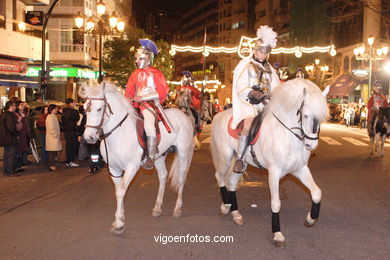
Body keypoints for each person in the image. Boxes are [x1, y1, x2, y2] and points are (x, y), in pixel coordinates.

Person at [231, 25, 280, 173]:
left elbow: (276, 86)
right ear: (255, 50)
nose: (262, 55)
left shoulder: (270, 69)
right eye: (260, 51)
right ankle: (240, 158)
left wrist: (273, 96)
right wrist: (254, 93)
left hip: (266, 104)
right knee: (248, 123)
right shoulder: (246, 64)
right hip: (249, 103)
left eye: (265, 53)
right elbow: (240, 86)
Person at [124, 38, 169, 170]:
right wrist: (126, 100)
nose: (137, 61)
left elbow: (160, 93)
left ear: (149, 60)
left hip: (149, 105)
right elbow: (129, 92)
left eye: (140, 58)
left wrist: (141, 98)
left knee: (149, 125)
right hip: (134, 105)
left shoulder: (156, 73)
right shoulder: (135, 74)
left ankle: (150, 157)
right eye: (137, 58)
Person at [0, 101, 19, 177]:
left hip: (5, 138)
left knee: (6, 155)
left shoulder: (3, 114)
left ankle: (6, 171)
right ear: (11, 106)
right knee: (11, 155)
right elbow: (11, 127)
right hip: (10, 138)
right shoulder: (9, 115)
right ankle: (10, 172)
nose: (15, 107)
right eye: (14, 106)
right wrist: (16, 134)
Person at [62, 98, 80, 167]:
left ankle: (69, 161)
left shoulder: (65, 111)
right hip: (71, 131)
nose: (75, 104)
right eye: (74, 103)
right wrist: (76, 110)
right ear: (70, 103)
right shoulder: (71, 111)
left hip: (67, 131)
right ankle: (71, 161)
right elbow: (77, 118)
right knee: (72, 146)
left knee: (69, 146)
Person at [14, 101, 30, 172]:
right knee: (18, 150)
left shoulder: (23, 113)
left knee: (22, 150)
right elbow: (16, 125)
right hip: (19, 134)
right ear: (17, 106)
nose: (23, 106)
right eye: (21, 105)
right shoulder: (15, 114)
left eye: (23, 105)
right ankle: (17, 166)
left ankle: (20, 165)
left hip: (24, 134)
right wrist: (19, 120)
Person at [46, 104, 62, 171]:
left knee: (52, 152)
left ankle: (52, 165)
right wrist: (55, 135)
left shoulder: (53, 116)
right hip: (52, 137)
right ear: (52, 110)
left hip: (53, 137)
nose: (56, 110)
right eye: (55, 109)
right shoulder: (50, 117)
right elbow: (51, 128)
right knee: (51, 153)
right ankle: (51, 165)